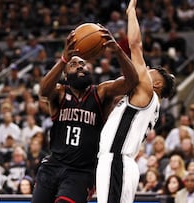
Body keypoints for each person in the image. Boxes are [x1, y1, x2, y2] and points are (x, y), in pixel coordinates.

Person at [31, 23, 140, 203]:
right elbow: (43, 91)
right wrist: (63, 60)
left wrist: (118, 50)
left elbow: (132, 81)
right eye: (74, 65)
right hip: (53, 165)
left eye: (83, 63)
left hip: (81, 172)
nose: (80, 66)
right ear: (66, 75)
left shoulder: (101, 92)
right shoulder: (59, 93)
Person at [95, 0, 176, 202]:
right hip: (117, 161)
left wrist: (131, 12)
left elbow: (135, 46)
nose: (145, 70)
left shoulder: (146, 91)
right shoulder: (144, 101)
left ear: (156, 84)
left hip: (117, 161)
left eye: (150, 72)